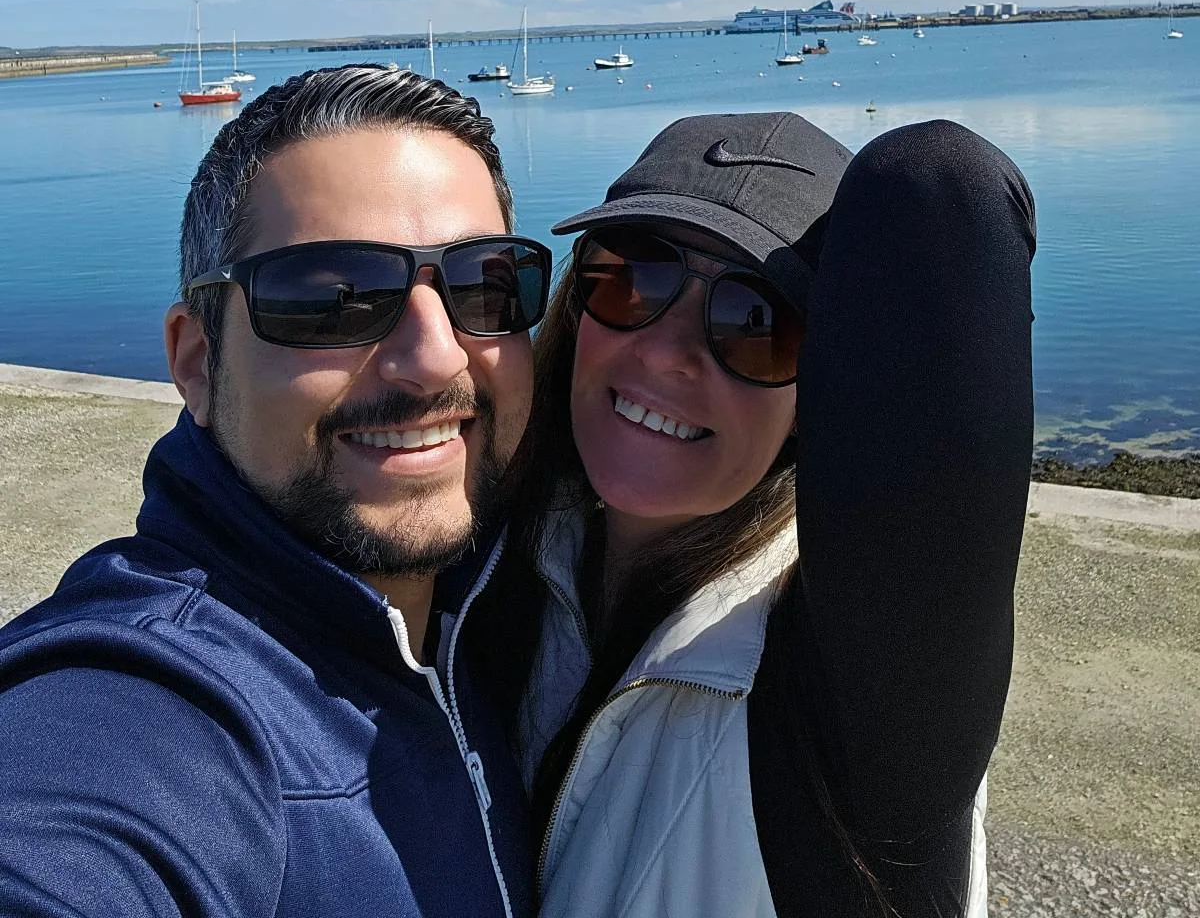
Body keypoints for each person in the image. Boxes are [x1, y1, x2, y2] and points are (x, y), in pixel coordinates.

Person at [0, 65, 551, 918]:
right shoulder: (149, 707)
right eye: (332, 299)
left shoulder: (492, 612)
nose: (437, 356)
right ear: (195, 360)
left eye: (487, 282)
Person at [469, 110, 1035, 917]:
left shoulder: (855, 693)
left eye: (756, 324)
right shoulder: (482, 581)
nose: (666, 351)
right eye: (632, 279)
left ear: (824, 395)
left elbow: (940, 184)